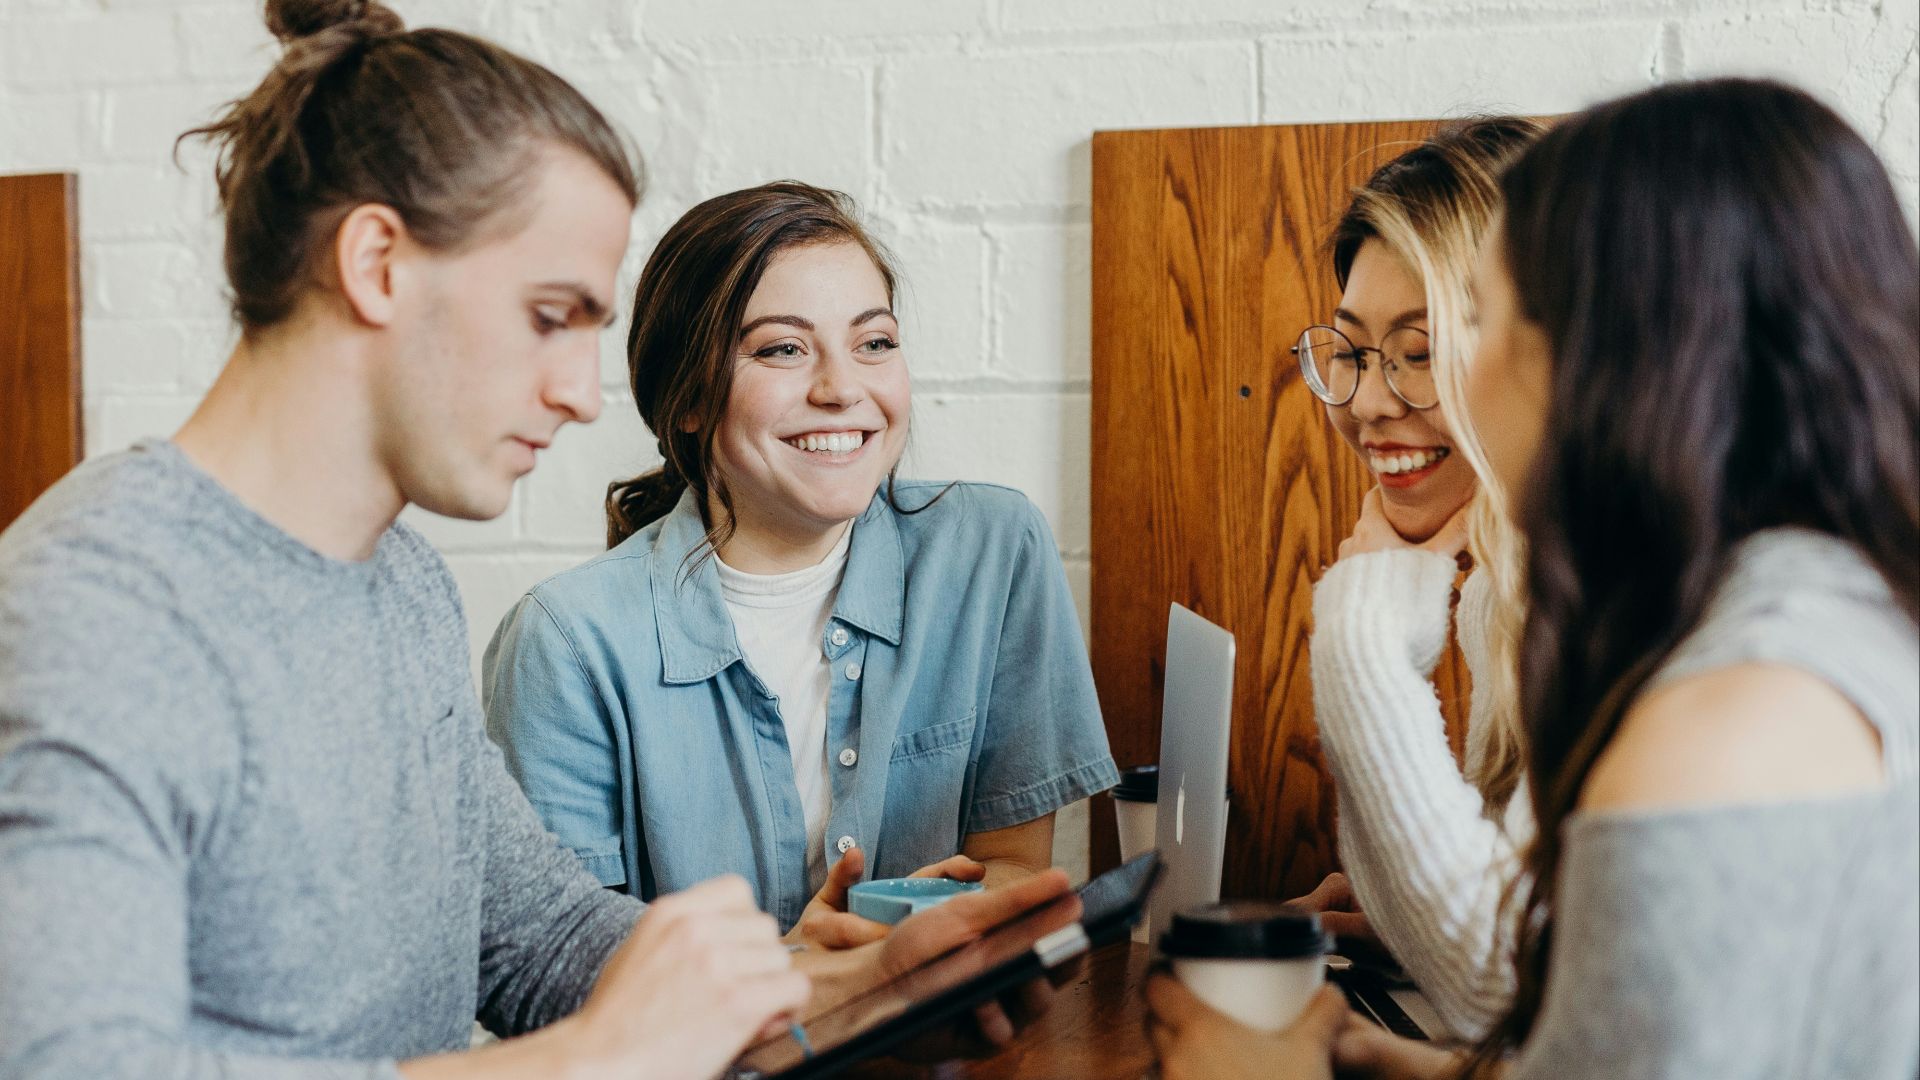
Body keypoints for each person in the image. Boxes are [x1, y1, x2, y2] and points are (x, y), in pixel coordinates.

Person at [0, 3, 1073, 1078]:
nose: (574, 392)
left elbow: (539, 937)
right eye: (550, 316)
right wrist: (592, 1061)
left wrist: (837, 989)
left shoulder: (398, 584)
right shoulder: (97, 610)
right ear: (376, 263)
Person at [1149, 77, 1919, 1079]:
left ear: (1617, 352)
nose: (1417, 388)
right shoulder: (1822, 613)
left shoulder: (1718, 722)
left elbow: (1519, 989)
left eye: (1474, 319)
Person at [483, 180, 1120, 947]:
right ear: (685, 399)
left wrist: (906, 945)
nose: (842, 388)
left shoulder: (992, 551)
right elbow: (564, 968)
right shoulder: (566, 642)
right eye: (782, 349)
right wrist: (804, 977)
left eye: (874, 343)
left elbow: (1013, 866)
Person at [1284, 118, 1544, 1040]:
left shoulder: (1613, 597)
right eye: (1350, 352)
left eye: (1421, 351)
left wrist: (1360, 636)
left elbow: (1501, 991)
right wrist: (1405, 915)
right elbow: (1537, 971)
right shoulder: (1506, 589)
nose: (1367, 402)